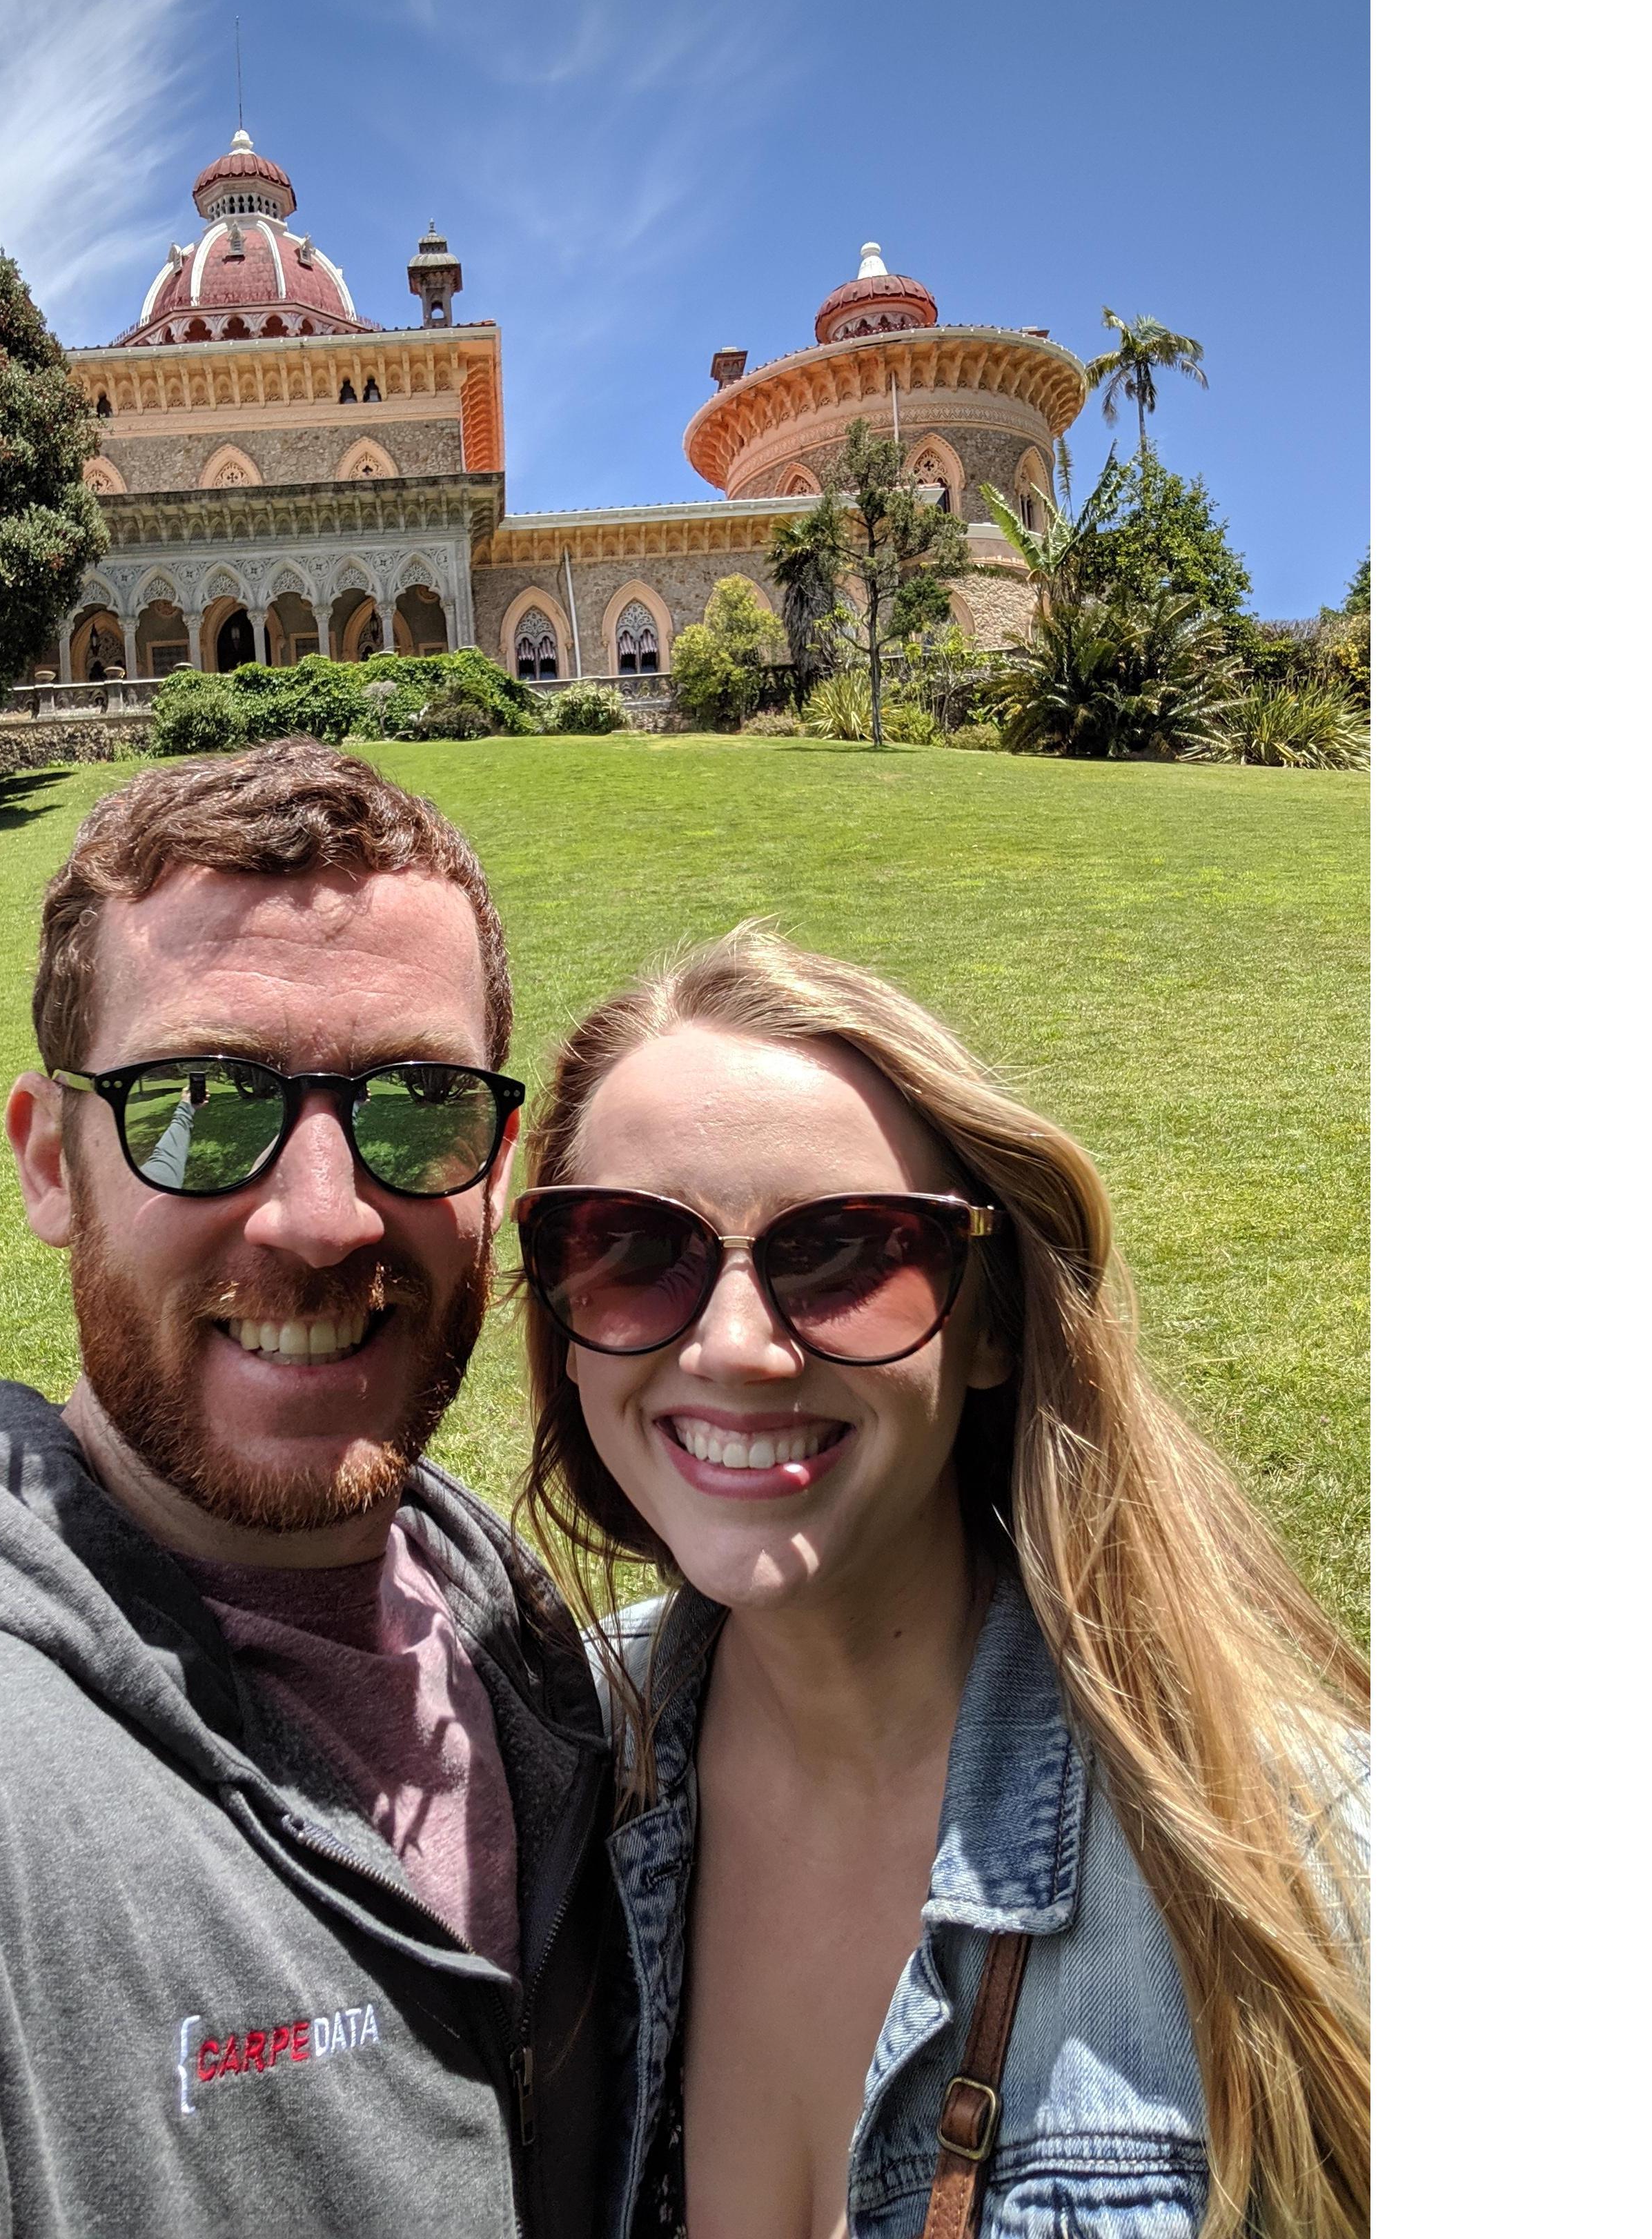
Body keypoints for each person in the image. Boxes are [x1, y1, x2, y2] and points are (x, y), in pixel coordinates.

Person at [0, 742, 618, 2238]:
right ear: (52, 1164)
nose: (322, 1218)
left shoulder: (520, 1648)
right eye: (198, 1107)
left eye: (417, 1104)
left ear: (497, 1170)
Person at [512, 926, 1368, 2239]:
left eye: (848, 1254)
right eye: (632, 1250)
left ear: (992, 1321)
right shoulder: (538, 1776)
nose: (736, 1349)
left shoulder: (1291, 1863)